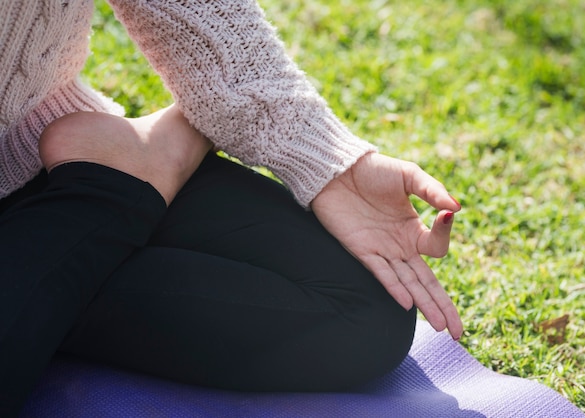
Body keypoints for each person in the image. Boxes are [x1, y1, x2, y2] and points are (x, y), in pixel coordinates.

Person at [0, 0, 462, 416]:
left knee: (368, 309)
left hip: (30, 154)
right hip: (67, 192)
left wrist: (331, 166)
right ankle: (105, 194)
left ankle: (103, 190)